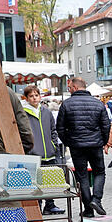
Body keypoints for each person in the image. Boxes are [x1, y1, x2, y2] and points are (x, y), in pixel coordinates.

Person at [56, 77, 111, 217]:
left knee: (82, 176)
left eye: (69, 87)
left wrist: (68, 141)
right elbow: (106, 126)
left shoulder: (66, 104)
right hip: (95, 144)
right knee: (99, 172)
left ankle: (88, 209)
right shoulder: (98, 104)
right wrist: (103, 141)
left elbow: (60, 128)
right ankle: (96, 200)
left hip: (76, 145)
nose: (69, 90)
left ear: (75, 87)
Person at [22, 85, 64, 215]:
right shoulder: (24, 113)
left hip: (49, 153)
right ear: (26, 98)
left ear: (40, 96)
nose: (34, 98)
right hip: (34, 154)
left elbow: (53, 130)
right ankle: (38, 205)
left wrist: (54, 145)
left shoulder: (46, 111)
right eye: (31, 96)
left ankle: (50, 205)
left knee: (49, 181)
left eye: (36, 95)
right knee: (36, 181)